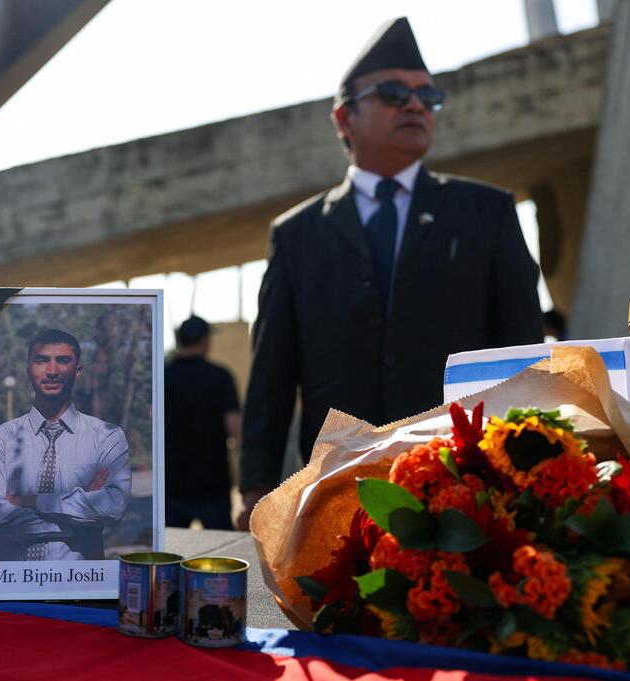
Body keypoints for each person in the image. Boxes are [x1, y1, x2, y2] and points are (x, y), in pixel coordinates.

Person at [237, 18, 544, 529]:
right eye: (394, 92)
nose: (416, 105)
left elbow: (522, 356)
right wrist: (255, 487)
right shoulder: (297, 234)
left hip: (462, 489)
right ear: (343, 117)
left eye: (430, 95)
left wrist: (528, 468)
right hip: (340, 487)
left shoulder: (485, 213)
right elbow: (271, 372)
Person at [0, 328, 131, 561]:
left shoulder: (107, 437)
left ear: (77, 371)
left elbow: (113, 506)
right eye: (42, 361)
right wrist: (75, 520)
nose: (53, 371)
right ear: (29, 372)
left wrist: (32, 500)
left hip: (80, 586)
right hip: (9, 584)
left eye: (63, 361)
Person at [164, 315, 241, 530]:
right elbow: (234, 427)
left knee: (172, 551)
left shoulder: (163, 377)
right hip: (213, 483)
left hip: (172, 483)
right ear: (204, 340)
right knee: (218, 553)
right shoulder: (221, 376)